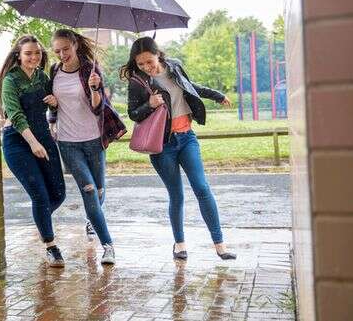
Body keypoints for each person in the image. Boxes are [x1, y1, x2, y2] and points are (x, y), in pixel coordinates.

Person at [120, 36, 236, 261]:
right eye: (140, 64)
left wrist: (217, 95)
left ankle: (220, 245)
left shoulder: (174, 66)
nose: (146, 67)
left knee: (202, 188)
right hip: (163, 145)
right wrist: (149, 104)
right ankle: (180, 244)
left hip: (186, 138)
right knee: (176, 195)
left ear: (158, 54)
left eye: (149, 61)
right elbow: (133, 113)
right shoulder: (138, 82)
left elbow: (191, 88)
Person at [49, 29, 127, 265]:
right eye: (57, 51)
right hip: (68, 142)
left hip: (94, 139)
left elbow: (97, 108)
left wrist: (95, 88)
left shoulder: (89, 70)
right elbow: (54, 107)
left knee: (99, 191)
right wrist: (52, 109)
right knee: (90, 190)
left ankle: (92, 219)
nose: (62, 54)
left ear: (75, 45)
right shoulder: (53, 72)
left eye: (66, 49)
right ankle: (108, 246)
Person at [0, 35, 67, 267]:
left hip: (44, 137)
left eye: (37, 53)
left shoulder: (42, 77)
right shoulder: (11, 80)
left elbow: (53, 103)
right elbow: (15, 115)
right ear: (19, 55)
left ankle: (41, 219)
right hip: (18, 141)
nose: (34, 57)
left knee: (58, 194)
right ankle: (51, 246)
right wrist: (32, 143)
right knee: (39, 195)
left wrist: (54, 102)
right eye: (28, 53)